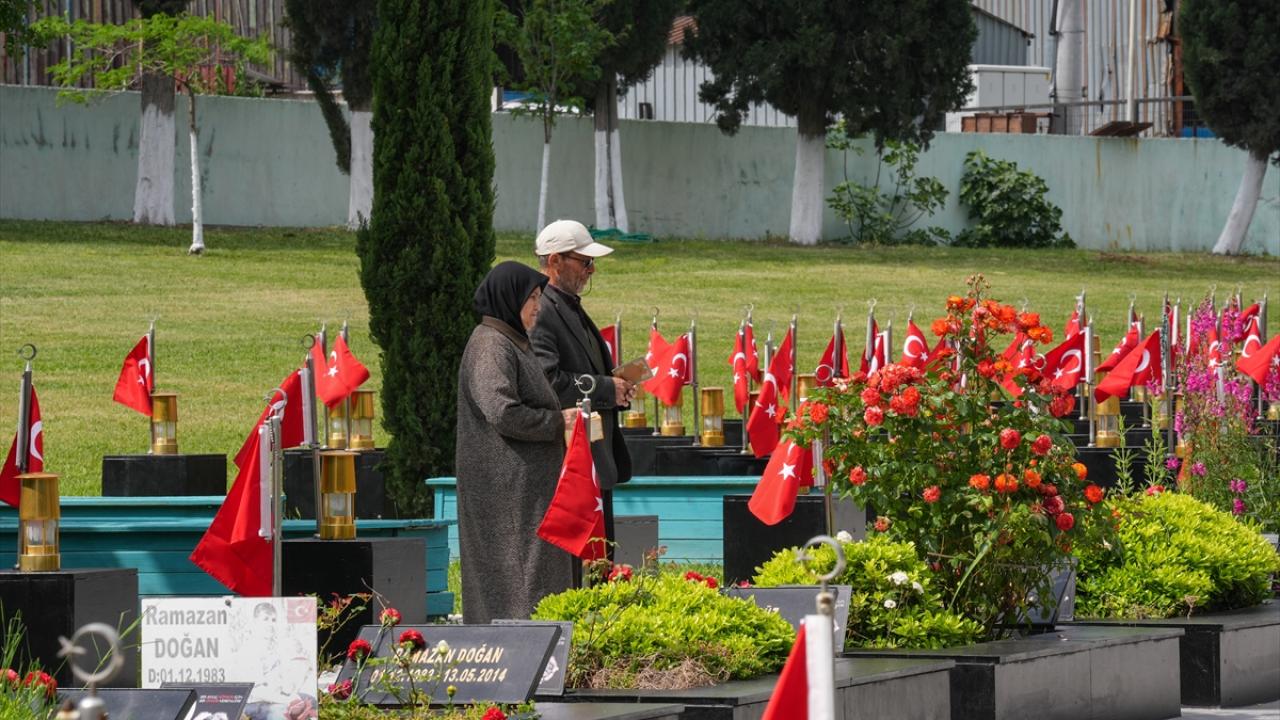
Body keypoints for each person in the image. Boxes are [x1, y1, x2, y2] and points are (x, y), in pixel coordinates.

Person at [456, 260, 578, 624]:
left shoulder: (510, 341)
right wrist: (557, 422)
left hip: (523, 492)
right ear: (509, 298)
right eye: (532, 297)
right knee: (521, 583)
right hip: (507, 497)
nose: (538, 306)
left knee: (533, 578)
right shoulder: (491, 345)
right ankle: (521, 649)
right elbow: (502, 411)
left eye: (540, 297)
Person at [529, 220, 634, 564]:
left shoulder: (566, 303)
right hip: (571, 460)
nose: (592, 269)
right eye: (585, 262)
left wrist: (616, 388)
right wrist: (606, 388)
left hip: (591, 453)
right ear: (555, 261)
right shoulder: (543, 309)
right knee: (587, 562)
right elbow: (548, 381)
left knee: (600, 559)